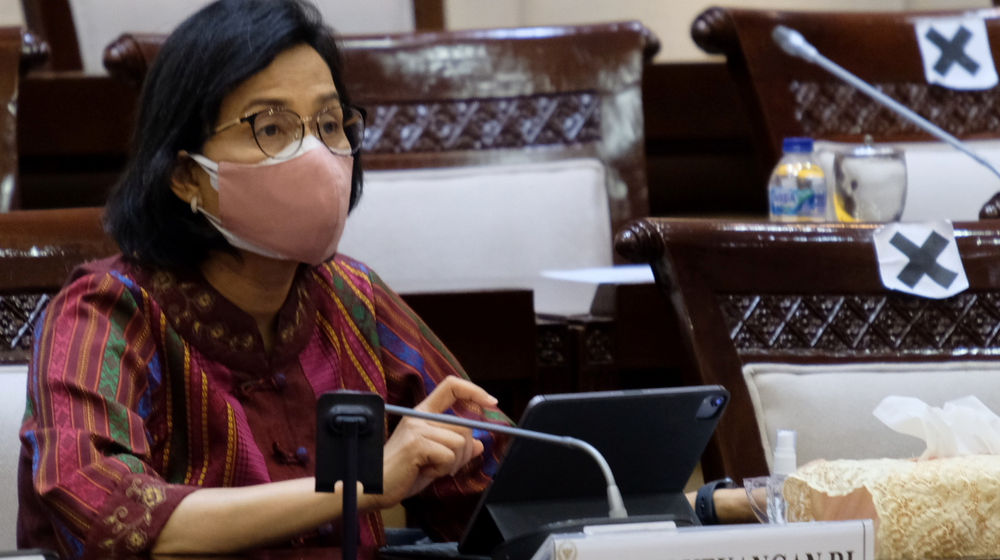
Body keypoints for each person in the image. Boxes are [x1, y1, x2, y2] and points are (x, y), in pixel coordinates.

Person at [17, 1, 507, 558]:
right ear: (184, 177)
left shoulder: (349, 297)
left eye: (329, 124)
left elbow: (507, 490)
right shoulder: (106, 310)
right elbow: (105, 510)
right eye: (271, 127)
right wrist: (359, 484)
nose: (317, 154)